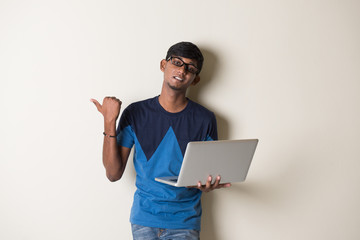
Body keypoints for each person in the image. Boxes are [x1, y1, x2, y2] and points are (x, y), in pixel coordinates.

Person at [91, 42, 231, 240]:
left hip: (184, 221)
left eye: (190, 68)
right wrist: (109, 121)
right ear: (163, 65)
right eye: (177, 62)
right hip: (144, 220)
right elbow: (113, 174)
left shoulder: (205, 119)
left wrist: (206, 184)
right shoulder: (135, 113)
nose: (182, 71)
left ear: (195, 79)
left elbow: (204, 175)